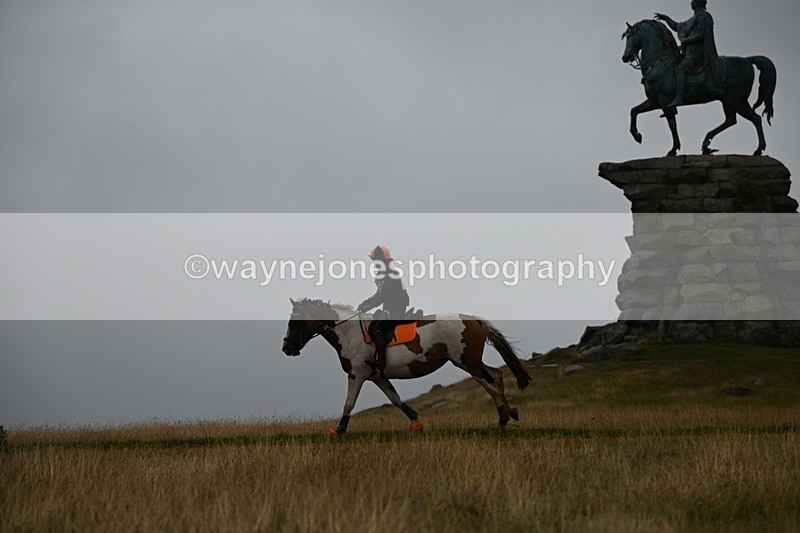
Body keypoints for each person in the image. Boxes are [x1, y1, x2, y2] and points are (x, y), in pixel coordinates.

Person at [655, 0, 725, 108]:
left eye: (692, 1)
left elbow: (700, 35)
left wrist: (685, 40)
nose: (690, 3)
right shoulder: (692, 20)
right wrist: (666, 19)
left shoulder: (704, 17)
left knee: (681, 68)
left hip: (698, 53)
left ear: (697, 3)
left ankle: (679, 98)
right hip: (689, 52)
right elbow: (678, 26)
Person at [357, 245, 410, 375]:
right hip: (391, 306)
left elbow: (383, 296)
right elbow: (378, 294)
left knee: (377, 329)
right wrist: (364, 304)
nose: (373, 263)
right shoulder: (385, 272)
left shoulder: (389, 273)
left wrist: (367, 307)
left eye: (374, 260)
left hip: (396, 308)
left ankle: (381, 360)